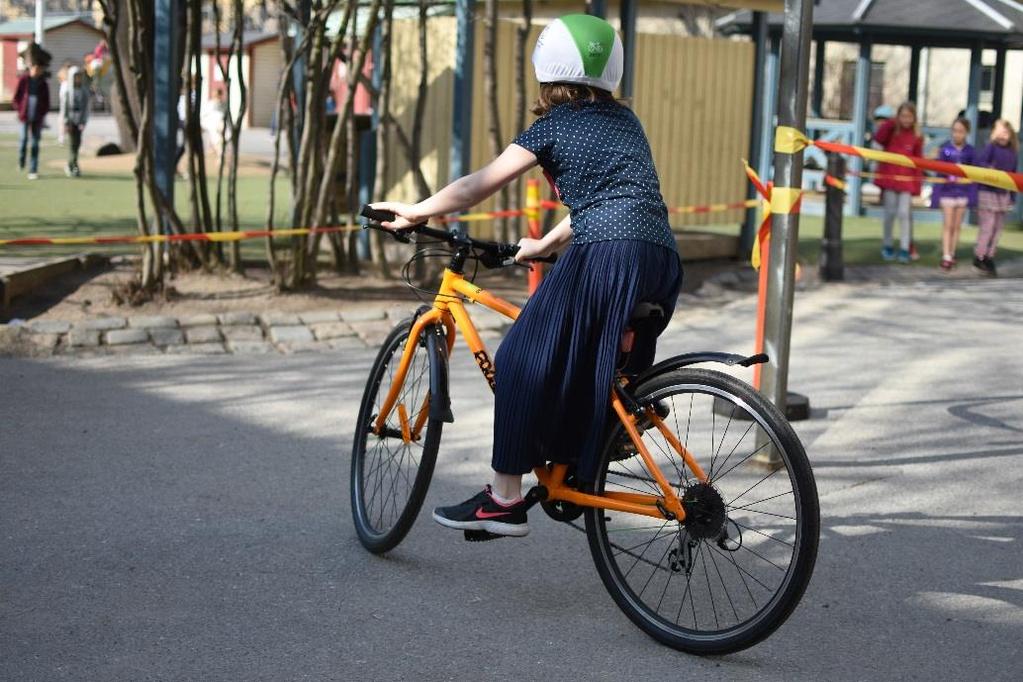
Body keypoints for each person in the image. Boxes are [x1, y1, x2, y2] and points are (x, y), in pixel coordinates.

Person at [370, 15, 682, 538]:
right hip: (659, 257)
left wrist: (417, 211)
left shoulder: (554, 126)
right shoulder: (627, 123)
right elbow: (610, 199)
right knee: (594, 365)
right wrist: (542, 245)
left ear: (547, 68)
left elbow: (478, 185)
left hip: (605, 254)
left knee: (517, 356)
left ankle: (504, 499)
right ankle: (602, 438)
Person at [873, 102, 924, 263]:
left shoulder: (917, 136)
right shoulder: (891, 130)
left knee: (904, 214)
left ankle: (904, 247)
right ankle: (887, 245)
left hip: (907, 182)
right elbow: (878, 139)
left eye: (909, 116)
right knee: (889, 213)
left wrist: (917, 186)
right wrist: (891, 122)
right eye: (903, 116)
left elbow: (919, 162)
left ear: (914, 118)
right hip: (890, 179)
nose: (906, 120)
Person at [972, 119, 1019, 277]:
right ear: (993, 133)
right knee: (988, 226)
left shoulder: (1012, 152)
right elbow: (980, 163)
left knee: (998, 228)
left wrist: (1012, 196)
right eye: (999, 132)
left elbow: (1013, 175)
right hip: (988, 192)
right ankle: (980, 255)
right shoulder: (991, 148)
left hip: (1003, 195)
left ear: (1010, 135)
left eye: (1005, 132)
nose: (1002, 136)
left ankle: (989, 255)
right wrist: (991, 171)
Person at [930, 117, 976, 270]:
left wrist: (971, 194)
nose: (957, 134)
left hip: (962, 193)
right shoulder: (945, 150)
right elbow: (939, 172)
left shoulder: (970, 151)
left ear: (966, 133)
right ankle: (946, 255)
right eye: (955, 131)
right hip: (947, 193)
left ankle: (952, 252)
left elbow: (974, 174)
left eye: (961, 131)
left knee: (957, 225)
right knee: (948, 224)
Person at [13, 61, 50, 180]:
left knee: (35, 143)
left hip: (37, 117)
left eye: (39, 69)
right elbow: (16, 97)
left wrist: (42, 112)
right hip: (25, 115)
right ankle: (21, 160)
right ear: (31, 68)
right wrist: (19, 110)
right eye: (35, 68)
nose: (37, 71)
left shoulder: (43, 83)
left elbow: (46, 101)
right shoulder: (24, 80)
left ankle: (33, 168)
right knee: (23, 140)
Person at [60, 66, 90, 177]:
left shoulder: (84, 91)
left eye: (79, 77)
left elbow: (86, 108)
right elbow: (64, 108)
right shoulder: (68, 91)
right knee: (73, 144)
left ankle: (72, 164)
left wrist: (84, 121)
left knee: (77, 144)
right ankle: (73, 165)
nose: (78, 79)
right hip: (71, 121)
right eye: (76, 77)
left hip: (80, 121)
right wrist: (66, 122)